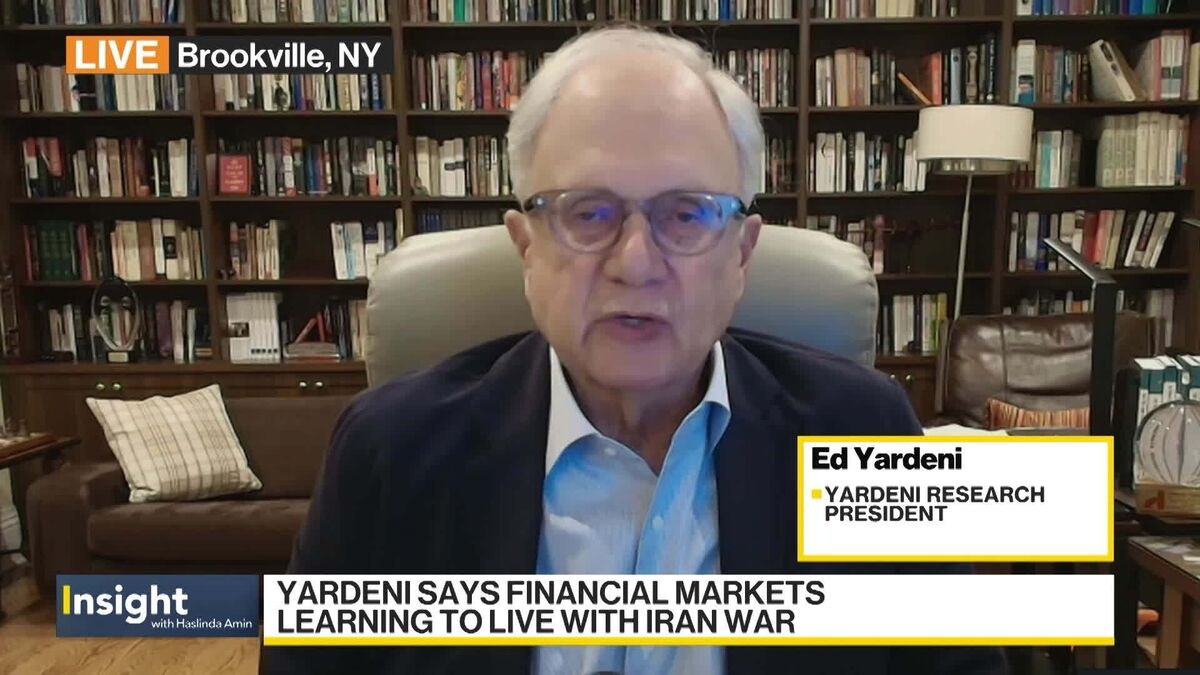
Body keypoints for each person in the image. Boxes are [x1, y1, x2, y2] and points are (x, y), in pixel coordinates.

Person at [261, 26, 1006, 675]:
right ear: (526, 249)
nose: (637, 263)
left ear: (741, 255)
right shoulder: (390, 452)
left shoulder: (864, 429)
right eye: (588, 212)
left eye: (687, 214)